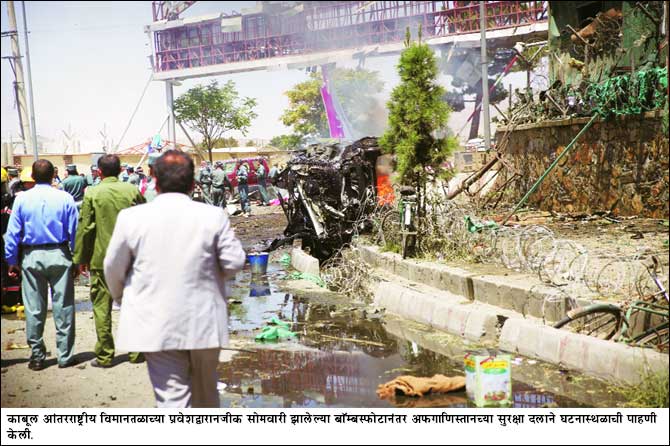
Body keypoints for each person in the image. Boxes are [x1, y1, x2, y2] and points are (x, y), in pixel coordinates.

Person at [104, 150, 245, 408]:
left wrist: (121, 297)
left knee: (172, 400)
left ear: (155, 181)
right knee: (206, 396)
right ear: (193, 184)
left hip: (155, 322)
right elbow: (235, 261)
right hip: (205, 322)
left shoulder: (132, 218)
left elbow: (113, 267)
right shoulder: (213, 216)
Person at [4, 160, 79, 370]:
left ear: (33, 178)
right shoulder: (65, 198)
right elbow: (75, 231)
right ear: (54, 175)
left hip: (31, 256)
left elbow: (12, 233)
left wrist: (11, 260)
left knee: (34, 308)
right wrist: (77, 258)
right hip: (59, 253)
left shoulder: (22, 200)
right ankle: (65, 356)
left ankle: (37, 356)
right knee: (63, 306)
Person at [73, 154, 146, 368]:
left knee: (101, 307)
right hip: (131, 259)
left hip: (101, 258)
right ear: (121, 170)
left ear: (99, 171)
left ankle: (105, 355)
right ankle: (136, 352)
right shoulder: (132, 191)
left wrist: (80, 258)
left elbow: (86, 228)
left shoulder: (93, 193)